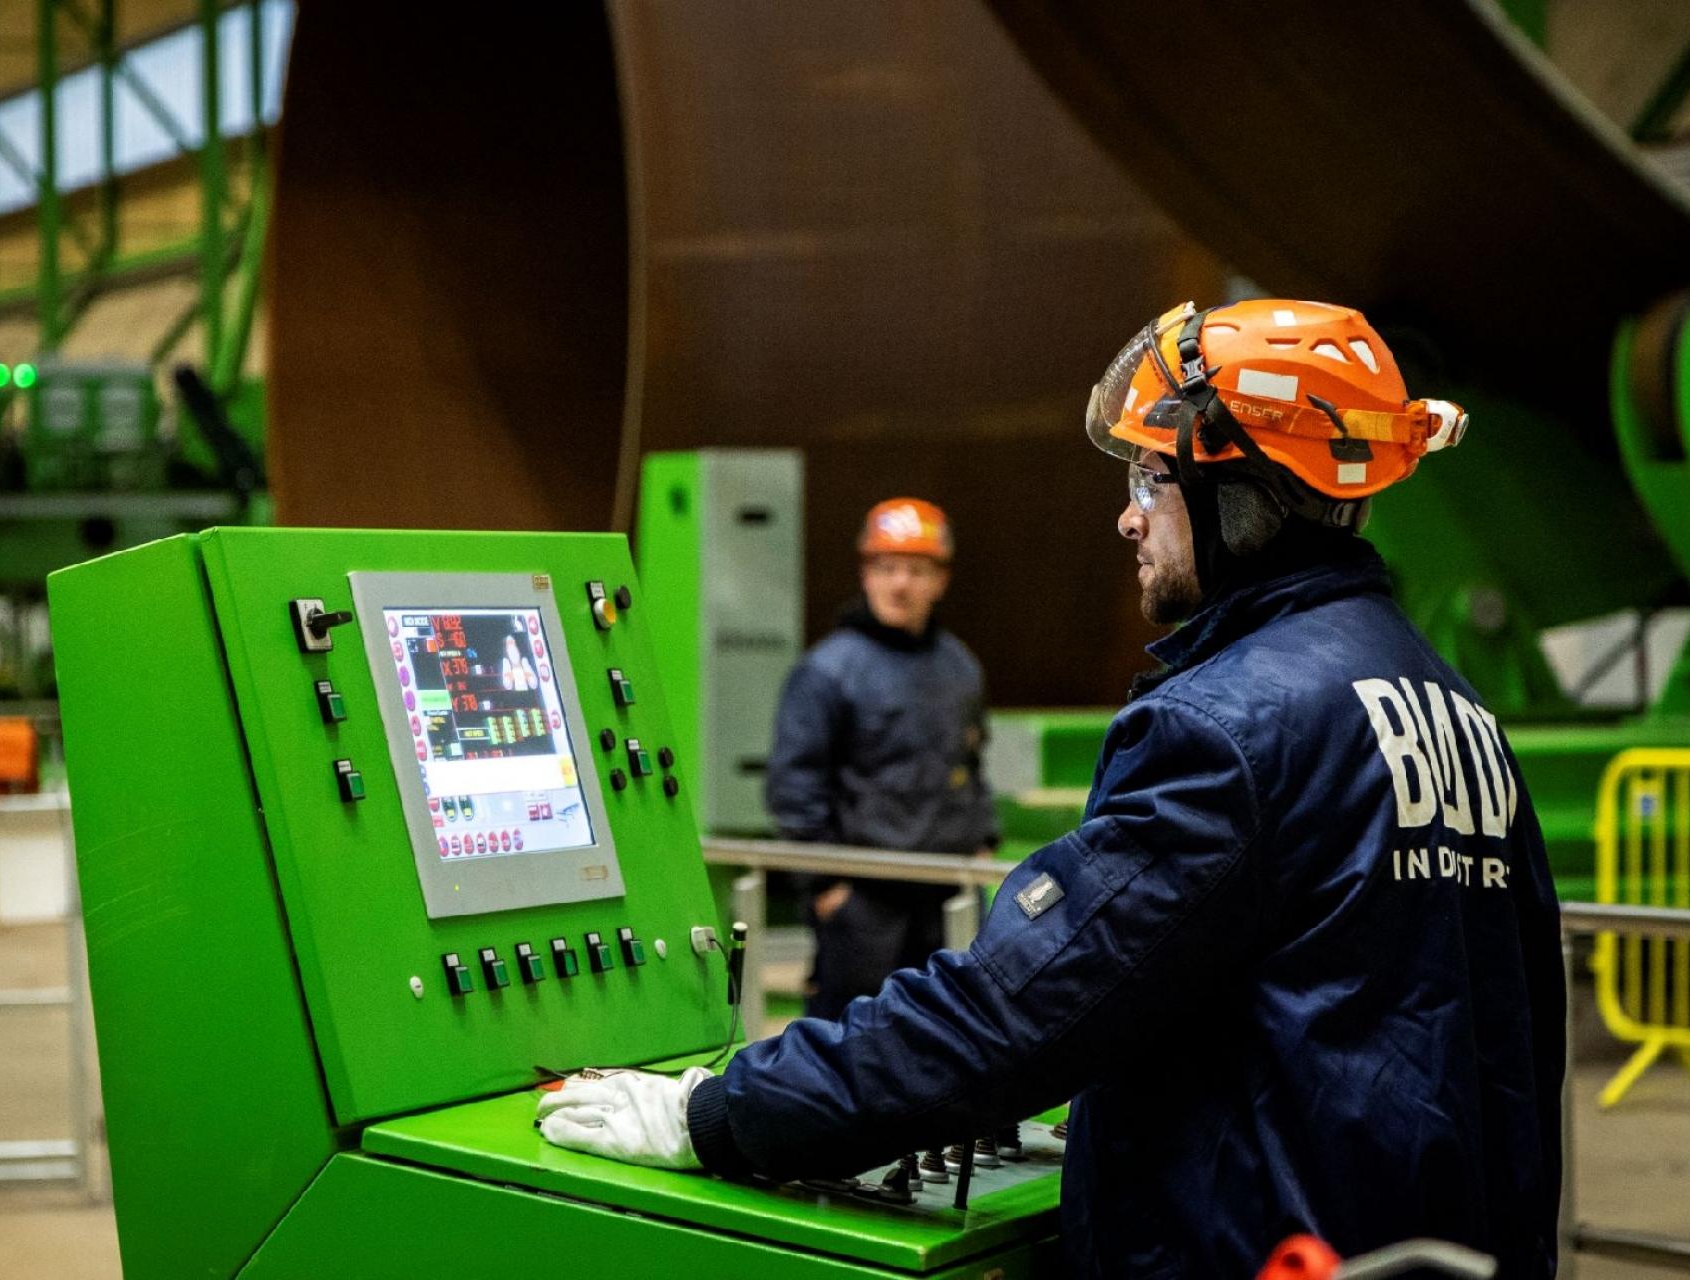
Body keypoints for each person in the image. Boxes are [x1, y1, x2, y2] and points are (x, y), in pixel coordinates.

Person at [536, 299, 1565, 1277]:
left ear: (1241, 495)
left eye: (1152, 480)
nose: (1129, 519)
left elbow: (1005, 1014)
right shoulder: (1454, 707)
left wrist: (717, 1111)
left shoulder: (1232, 727)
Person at [764, 497, 998, 1021]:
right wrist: (827, 888)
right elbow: (795, 786)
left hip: (948, 899)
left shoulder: (959, 666)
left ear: (940, 581)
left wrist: (984, 842)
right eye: (886, 568)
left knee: (951, 1040)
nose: (900, 584)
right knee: (850, 1049)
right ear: (866, 575)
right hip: (863, 905)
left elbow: (973, 762)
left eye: (916, 571)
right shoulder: (827, 671)